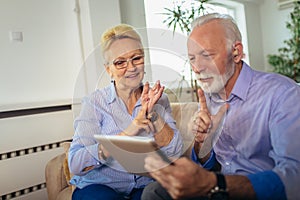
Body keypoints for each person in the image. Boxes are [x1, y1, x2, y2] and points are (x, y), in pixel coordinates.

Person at [142, 13, 300, 200]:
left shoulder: (282, 93)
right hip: (219, 189)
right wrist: (203, 142)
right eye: (192, 58)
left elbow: (295, 178)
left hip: (258, 193)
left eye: (206, 55)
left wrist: (216, 184)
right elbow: (207, 166)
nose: (197, 67)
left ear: (236, 52)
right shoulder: (210, 96)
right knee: (154, 191)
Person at [68, 24, 183, 200]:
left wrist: (153, 114)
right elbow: (75, 163)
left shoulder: (159, 98)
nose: (131, 68)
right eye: (120, 62)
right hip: (100, 184)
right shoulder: (94, 103)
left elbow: (175, 152)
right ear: (109, 70)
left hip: (144, 184)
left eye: (136, 58)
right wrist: (128, 132)